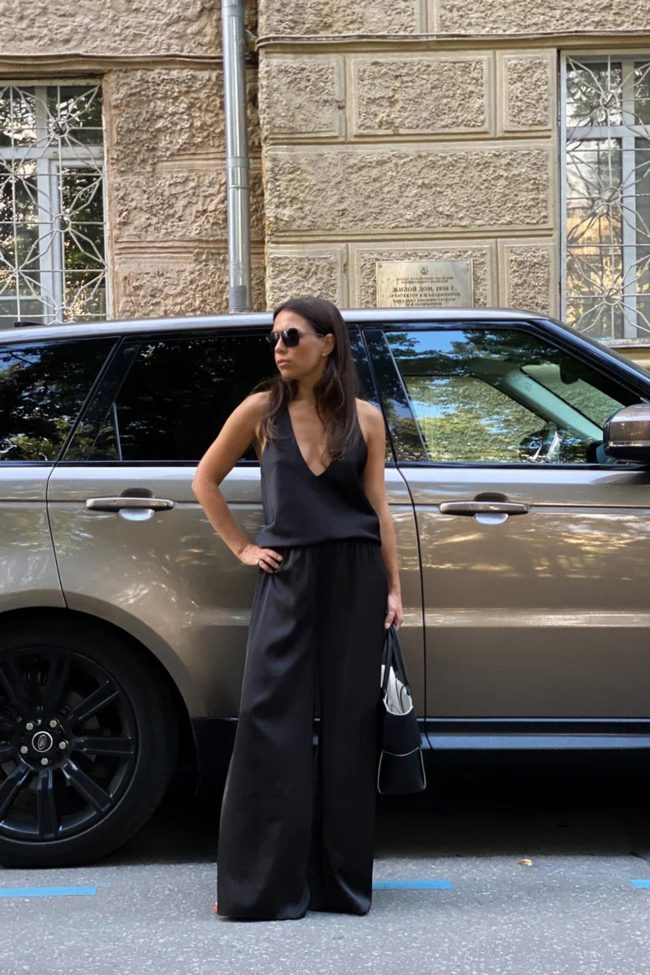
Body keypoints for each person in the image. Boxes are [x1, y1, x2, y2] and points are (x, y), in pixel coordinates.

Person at [191, 295, 403, 921]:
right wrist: (243, 547)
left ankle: (339, 884)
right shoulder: (261, 411)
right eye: (275, 338)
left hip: (356, 577)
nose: (279, 348)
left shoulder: (366, 419)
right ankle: (263, 887)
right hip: (287, 575)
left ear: (327, 343)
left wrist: (394, 589)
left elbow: (378, 507)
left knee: (349, 729)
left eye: (292, 336)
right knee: (268, 720)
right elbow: (205, 479)